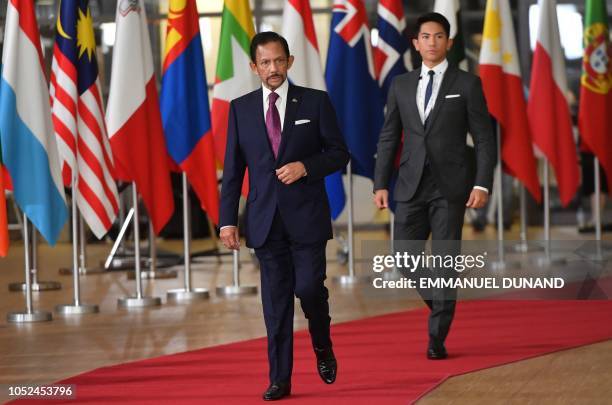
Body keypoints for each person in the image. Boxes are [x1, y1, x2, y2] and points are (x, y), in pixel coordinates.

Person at [219, 32, 349, 401]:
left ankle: (322, 344)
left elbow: (340, 153)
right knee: (275, 306)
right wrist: (227, 220)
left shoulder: (316, 102)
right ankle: (280, 379)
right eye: (265, 63)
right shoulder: (240, 108)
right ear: (254, 67)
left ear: (290, 61)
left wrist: (306, 166)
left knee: (308, 289)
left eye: (279, 61)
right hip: (263, 222)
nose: (273, 69)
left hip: (306, 218)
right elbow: (233, 171)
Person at [373, 12, 495, 360]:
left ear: (449, 42)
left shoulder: (467, 84)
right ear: (415, 43)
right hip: (409, 185)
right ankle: (442, 302)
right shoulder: (401, 84)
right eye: (425, 37)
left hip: (451, 187)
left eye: (439, 36)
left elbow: (484, 140)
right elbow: (388, 136)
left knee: (444, 262)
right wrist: (381, 182)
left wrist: (482, 184)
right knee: (404, 257)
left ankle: (437, 336)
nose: (432, 42)